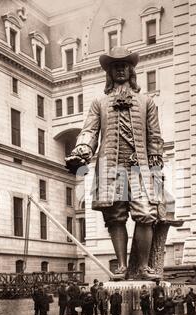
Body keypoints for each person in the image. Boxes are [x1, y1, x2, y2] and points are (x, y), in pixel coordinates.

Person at [65, 46, 166, 280]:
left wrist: (156, 165)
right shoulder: (99, 102)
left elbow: (155, 135)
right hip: (111, 168)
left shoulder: (146, 101)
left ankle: (141, 267)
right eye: (115, 66)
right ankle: (121, 266)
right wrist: (82, 150)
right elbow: (89, 131)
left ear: (131, 70)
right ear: (110, 72)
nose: (120, 69)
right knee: (115, 217)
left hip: (140, 168)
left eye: (124, 65)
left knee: (146, 215)